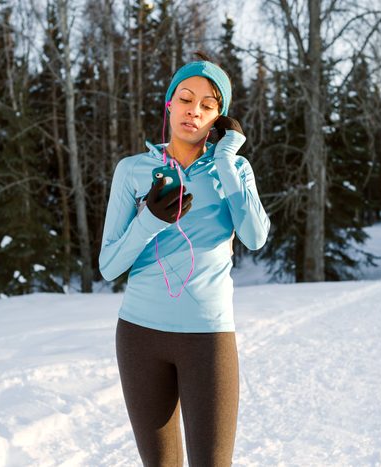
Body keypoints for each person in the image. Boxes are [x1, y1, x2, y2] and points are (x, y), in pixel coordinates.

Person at [99, 52, 271, 466]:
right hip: (139, 336)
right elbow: (109, 266)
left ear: (219, 118)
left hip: (208, 339)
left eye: (208, 105)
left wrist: (227, 163)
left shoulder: (235, 169)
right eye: (185, 98)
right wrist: (150, 220)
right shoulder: (133, 170)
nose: (193, 111)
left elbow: (255, 236)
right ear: (169, 104)